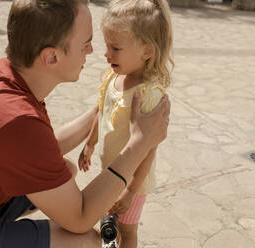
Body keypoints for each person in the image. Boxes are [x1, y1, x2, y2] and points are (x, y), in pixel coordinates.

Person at [0, 0, 170, 248]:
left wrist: (102, 108)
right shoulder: (15, 121)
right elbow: (80, 218)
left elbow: (41, 149)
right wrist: (139, 144)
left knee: (65, 170)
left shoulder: (5, 77)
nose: (93, 51)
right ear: (51, 57)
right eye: (86, 44)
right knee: (87, 241)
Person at [77, 0, 173, 247]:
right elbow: (103, 111)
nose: (106, 53)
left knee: (127, 232)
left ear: (147, 51)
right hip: (112, 170)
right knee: (111, 225)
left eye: (115, 48)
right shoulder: (114, 76)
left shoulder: (148, 95)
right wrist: (90, 143)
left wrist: (131, 191)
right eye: (107, 45)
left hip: (133, 181)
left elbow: (149, 148)